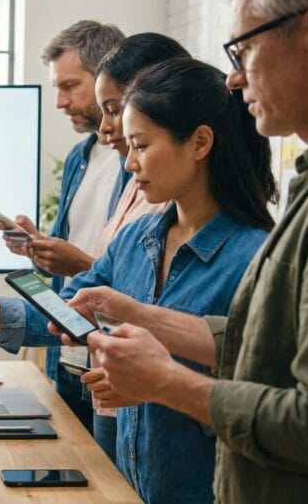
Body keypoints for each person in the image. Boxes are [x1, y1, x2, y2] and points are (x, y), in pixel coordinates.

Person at [0, 57, 278, 503]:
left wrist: (157, 382)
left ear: (199, 142)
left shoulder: (258, 257)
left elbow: (262, 404)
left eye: (141, 145)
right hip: (130, 486)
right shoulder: (136, 238)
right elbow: (61, 319)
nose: (130, 164)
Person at [72, 0, 308, 502]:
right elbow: (259, 345)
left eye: (243, 51)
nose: (234, 78)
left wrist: (166, 381)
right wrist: (137, 315)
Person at [0, 20, 127, 434]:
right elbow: (69, 261)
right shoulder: (79, 157)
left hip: (111, 361)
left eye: (69, 86)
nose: (59, 102)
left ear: (107, 77)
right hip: (68, 354)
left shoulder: (138, 163)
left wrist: (77, 263)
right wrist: (40, 247)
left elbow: (136, 278)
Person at [77, 32, 191, 463]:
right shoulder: (139, 225)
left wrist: (155, 377)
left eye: (140, 144)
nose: (125, 156)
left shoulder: (245, 249)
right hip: (123, 411)